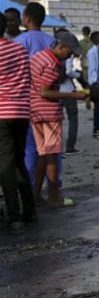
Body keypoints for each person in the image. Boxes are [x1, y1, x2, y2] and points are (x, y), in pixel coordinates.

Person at [29, 31, 87, 208]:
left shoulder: (38, 57)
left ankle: (36, 195)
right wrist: (73, 95)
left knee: (42, 154)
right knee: (52, 155)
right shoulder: (53, 65)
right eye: (69, 52)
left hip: (34, 111)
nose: (69, 55)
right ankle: (54, 197)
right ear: (61, 47)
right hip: (49, 112)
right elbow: (45, 92)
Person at [0, 15, 36, 233]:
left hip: (2, 114)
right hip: (22, 112)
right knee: (19, 161)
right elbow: (27, 78)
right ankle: (30, 211)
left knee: (5, 167)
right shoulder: (19, 49)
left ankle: (15, 216)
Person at [15, 2, 56, 185]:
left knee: (31, 147)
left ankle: (30, 184)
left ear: (27, 19)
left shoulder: (19, 42)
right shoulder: (51, 41)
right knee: (53, 146)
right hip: (50, 100)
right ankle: (54, 182)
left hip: (27, 100)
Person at [60, 55, 82, 154]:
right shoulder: (68, 56)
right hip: (68, 90)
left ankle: (57, 149)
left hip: (56, 91)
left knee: (56, 121)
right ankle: (70, 146)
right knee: (73, 119)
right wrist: (77, 75)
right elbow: (68, 71)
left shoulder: (51, 55)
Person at [87, 31, 99, 138]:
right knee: (98, 108)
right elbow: (93, 69)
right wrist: (95, 83)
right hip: (97, 83)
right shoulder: (92, 52)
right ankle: (97, 129)